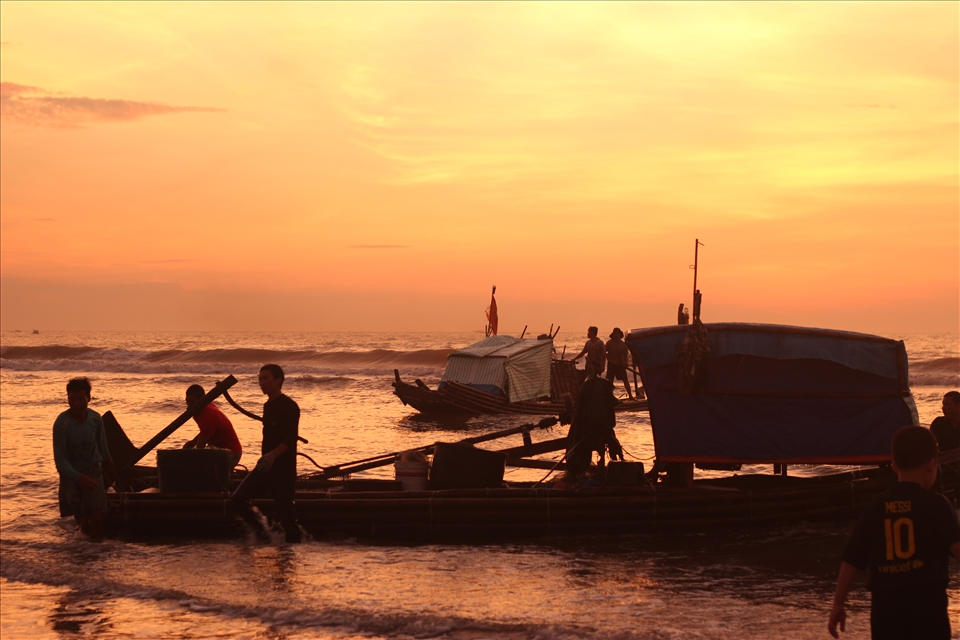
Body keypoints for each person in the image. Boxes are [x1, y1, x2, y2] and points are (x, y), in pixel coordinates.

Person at [828, 426, 960, 640]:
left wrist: (838, 604)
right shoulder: (936, 504)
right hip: (928, 610)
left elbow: (851, 560)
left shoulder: (876, 506)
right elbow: (957, 547)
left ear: (894, 466)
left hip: (886, 613)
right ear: (931, 464)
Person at [231, 364, 301, 543]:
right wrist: (265, 459)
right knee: (238, 498)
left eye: (265, 378)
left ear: (278, 381)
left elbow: (290, 438)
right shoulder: (267, 405)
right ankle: (263, 534)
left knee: (287, 518)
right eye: (259, 379)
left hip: (283, 469)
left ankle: (292, 555)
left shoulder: (290, 406)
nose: (261, 383)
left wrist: (272, 455)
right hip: (265, 467)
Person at [53, 377, 112, 541]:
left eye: (81, 398)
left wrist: (108, 460)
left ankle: (98, 560)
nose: (76, 403)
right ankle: (83, 558)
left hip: (92, 469)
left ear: (89, 398)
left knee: (98, 519)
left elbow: (102, 445)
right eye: (72, 399)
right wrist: (79, 478)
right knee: (83, 523)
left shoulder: (95, 419)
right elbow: (60, 461)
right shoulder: (61, 424)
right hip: (71, 474)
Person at [182, 384, 243, 467]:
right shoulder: (201, 410)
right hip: (220, 450)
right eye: (187, 401)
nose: (189, 405)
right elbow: (206, 432)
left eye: (192, 402)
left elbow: (199, 448)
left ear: (201, 401)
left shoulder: (208, 417)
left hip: (231, 454)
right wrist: (193, 442)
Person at [604, 328, 633, 400]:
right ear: (613, 335)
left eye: (618, 334)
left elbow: (625, 354)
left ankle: (630, 396)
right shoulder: (609, 343)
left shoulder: (622, 345)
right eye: (615, 334)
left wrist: (626, 362)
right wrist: (611, 360)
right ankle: (609, 396)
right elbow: (605, 353)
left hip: (620, 364)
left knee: (625, 380)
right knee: (610, 380)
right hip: (611, 364)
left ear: (620, 335)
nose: (616, 336)